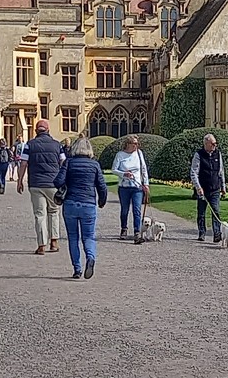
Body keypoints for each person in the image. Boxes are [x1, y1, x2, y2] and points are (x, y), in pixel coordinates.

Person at [55, 137, 108, 280]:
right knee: (89, 236)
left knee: (73, 238)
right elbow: (102, 186)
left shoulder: (69, 163)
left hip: (71, 203)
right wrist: (102, 201)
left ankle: (77, 269)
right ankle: (90, 257)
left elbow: (58, 181)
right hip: (88, 204)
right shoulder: (94, 165)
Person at [17, 119, 66, 255]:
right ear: (48, 130)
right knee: (54, 212)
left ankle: (41, 245)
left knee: (40, 214)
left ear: (36, 131)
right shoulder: (57, 145)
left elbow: (23, 163)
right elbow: (63, 162)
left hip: (36, 183)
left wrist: (19, 180)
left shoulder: (29, 145)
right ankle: (54, 241)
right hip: (53, 183)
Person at [110, 135, 150, 240]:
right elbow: (114, 169)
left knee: (137, 210)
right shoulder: (120, 155)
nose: (136, 146)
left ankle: (137, 232)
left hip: (137, 186)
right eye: (134, 144)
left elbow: (143, 169)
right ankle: (124, 228)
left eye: (137, 144)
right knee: (125, 210)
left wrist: (146, 184)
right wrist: (123, 174)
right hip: (124, 187)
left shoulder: (139, 154)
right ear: (128, 144)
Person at [191, 132, 227, 242]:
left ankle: (217, 233)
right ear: (206, 143)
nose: (215, 146)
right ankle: (202, 232)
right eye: (213, 143)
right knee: (201, 213)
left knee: (215, 211)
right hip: (203, 188)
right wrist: (198, 187)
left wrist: (223, 187)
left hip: (215, 188)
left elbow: (221, 171)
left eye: (215, 144)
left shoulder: (217, 154)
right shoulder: (199, 155)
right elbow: (194, 172)